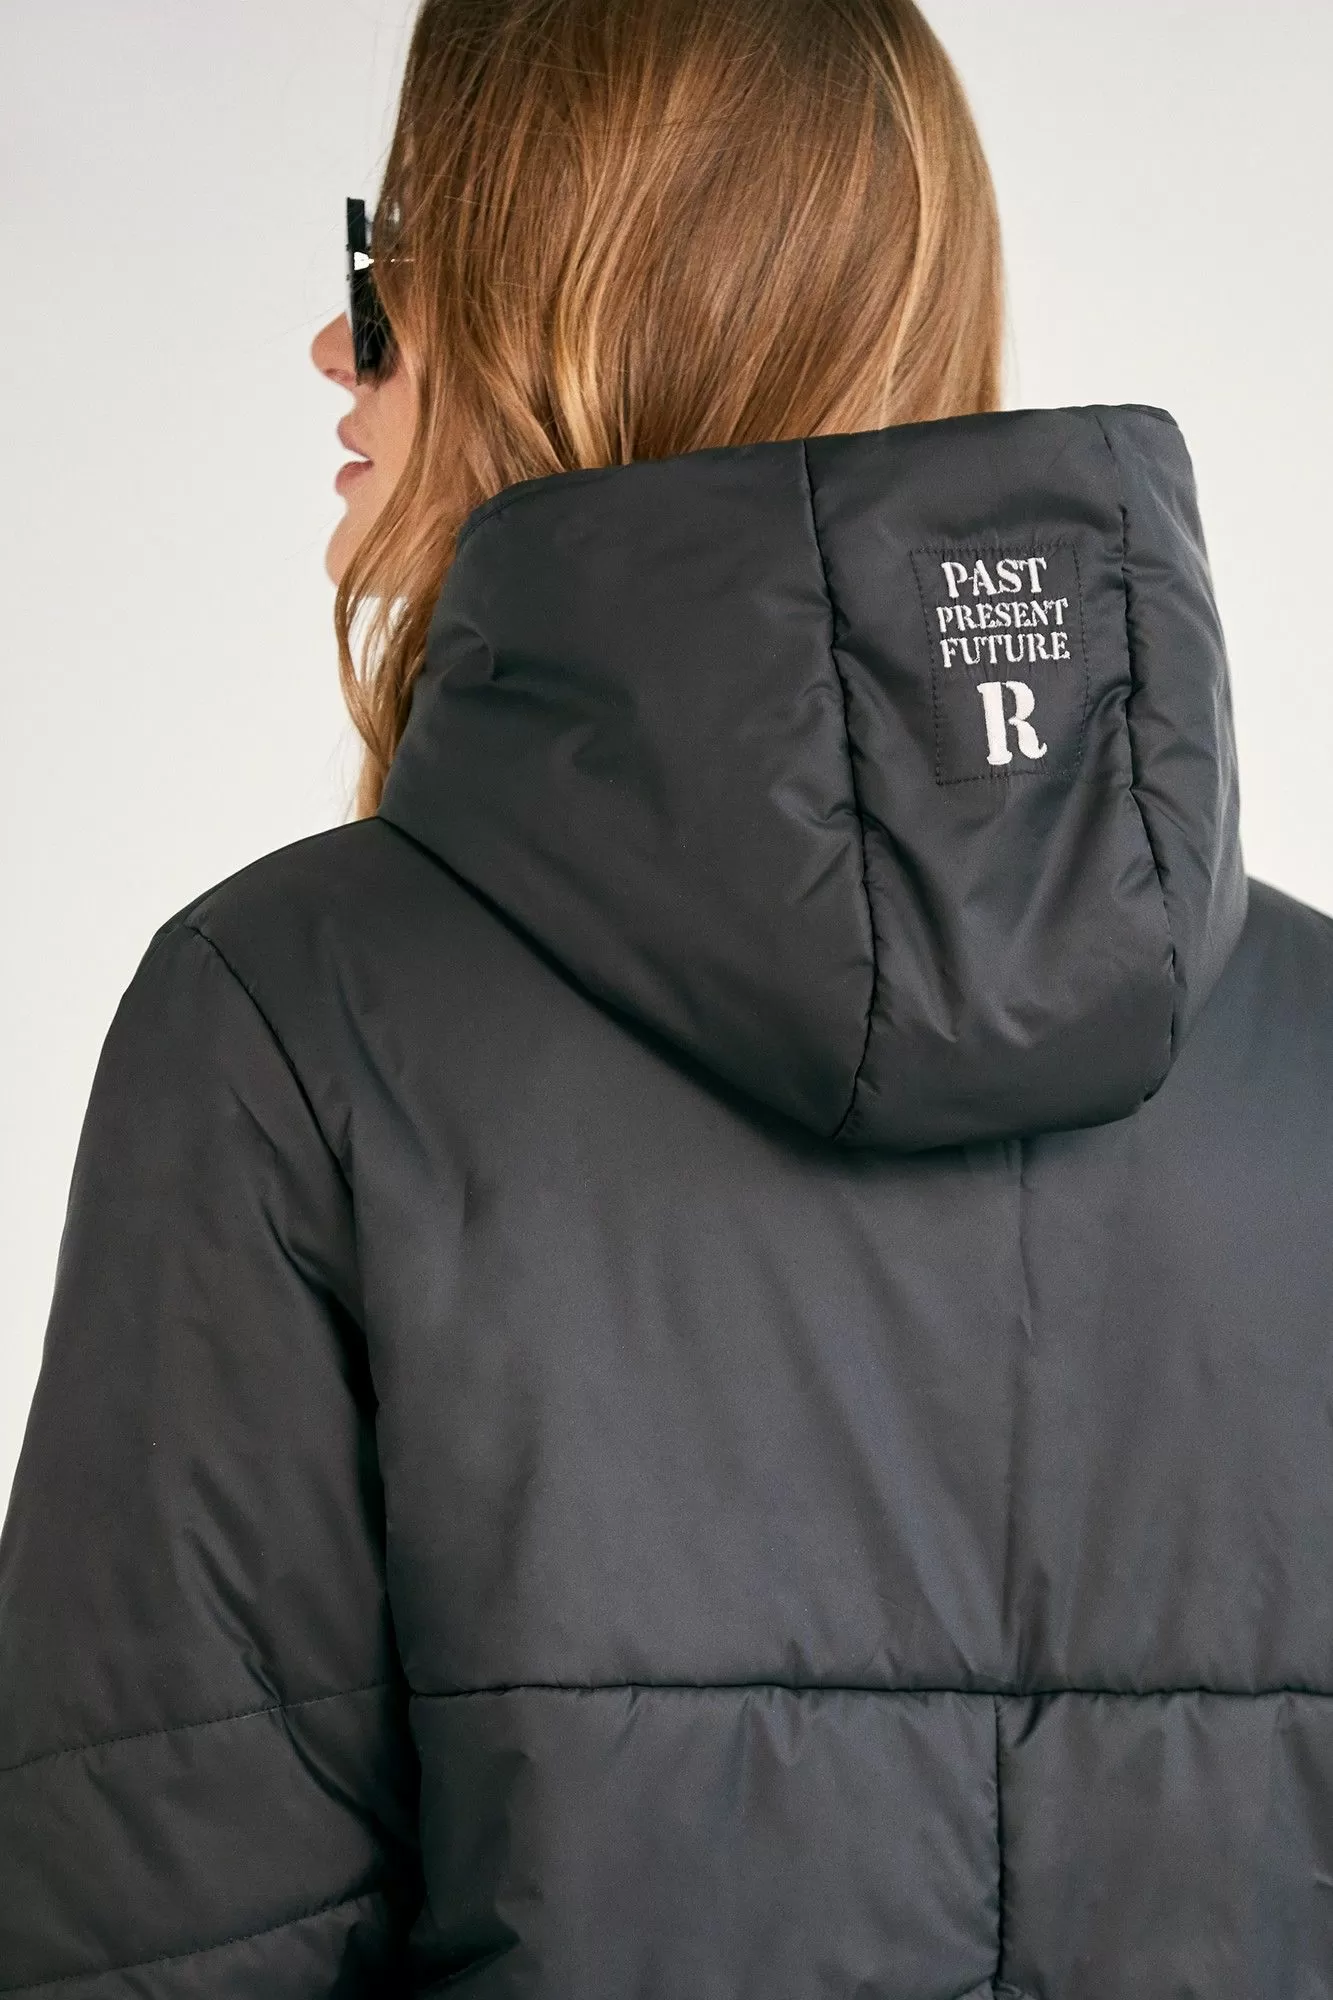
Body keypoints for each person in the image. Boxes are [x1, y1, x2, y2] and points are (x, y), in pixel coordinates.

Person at [1, 0, 1331, 1994]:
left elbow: (155, 1942)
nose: (337, 347)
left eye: (388, 268)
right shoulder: (1316, 1054)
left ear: (566, 322)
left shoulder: (282, 1031)